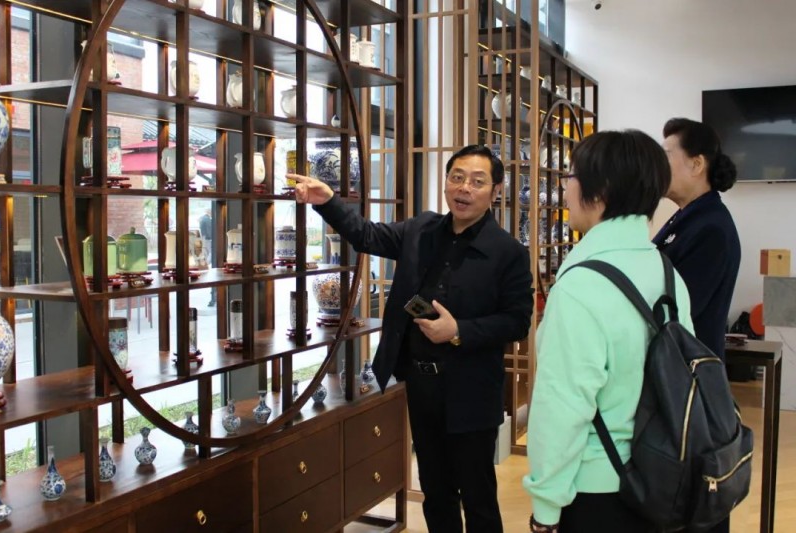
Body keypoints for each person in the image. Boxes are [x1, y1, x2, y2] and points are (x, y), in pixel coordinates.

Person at [288, 144, 533, 533]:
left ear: (496, 191)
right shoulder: (421, 230)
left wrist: (459, 331)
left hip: (472, 391)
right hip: (422, 385)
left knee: (478, 497)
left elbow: (517, 322)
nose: (464, 188)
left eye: (477, 181)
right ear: (446, 182)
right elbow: (367, 235)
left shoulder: (509, 253)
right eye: (457, 177)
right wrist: (328, 201)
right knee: (436, 492)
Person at [524, 130, 694, 533]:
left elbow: (562, 407)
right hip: (663, 475)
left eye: (570, 177)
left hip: (599, 488)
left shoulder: (580, 286)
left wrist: (545, 510)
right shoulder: (667, 272)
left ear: (599, 192)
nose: (565, 190)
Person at [654, 118, 740, 533]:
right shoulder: (686, 219)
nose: (659, 164)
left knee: (698, 505)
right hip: (678, 381)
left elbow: (677, 312)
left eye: (667, 154)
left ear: (697, 163)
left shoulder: (710, 227)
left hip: (692, 387)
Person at [198, 209, 216, 306]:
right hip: (209, 239)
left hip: (205, 238)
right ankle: (206, 264)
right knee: (210, 253)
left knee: (207, 252)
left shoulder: (203, 219)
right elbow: (209, 230)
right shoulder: (208, 219)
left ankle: (205, 264)